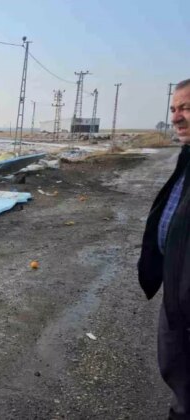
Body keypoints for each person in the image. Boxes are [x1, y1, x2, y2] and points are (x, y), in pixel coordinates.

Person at [139, 78, 190, 419]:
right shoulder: (187, 158)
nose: (176, 117)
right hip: (177, 295)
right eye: (173, 109)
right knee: (180, 377)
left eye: (186, 107)